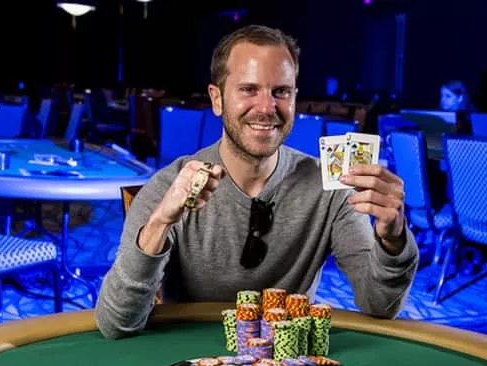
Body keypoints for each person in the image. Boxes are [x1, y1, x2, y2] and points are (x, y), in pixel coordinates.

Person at [95, 25, 419, 339]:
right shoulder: (171, 186)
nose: (267, 108)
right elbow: (116, 324)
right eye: (249, 89)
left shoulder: (331, 188)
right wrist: (159, 224)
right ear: (217, 99)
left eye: (281, 92)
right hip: (191, 361)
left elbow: (380, 305)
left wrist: (393, 239)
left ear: (294, 98)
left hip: (290, 365)